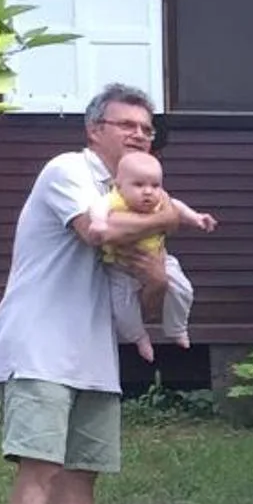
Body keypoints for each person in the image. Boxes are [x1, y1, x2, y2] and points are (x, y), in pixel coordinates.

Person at [0, 85, 190, 504]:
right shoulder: (68, 171)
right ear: (95, 130)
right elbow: (96, 231)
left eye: (146, 129)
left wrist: (157, 277)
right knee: (39, 468)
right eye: (126, 125)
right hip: (40, 346)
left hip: (95, 353)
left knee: (82, 474)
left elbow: (143, 298)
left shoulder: (137, 195)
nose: (139, 135)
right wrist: (169, 218)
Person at [100, 148, 214, 363]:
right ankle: (138, 337)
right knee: (123, 308)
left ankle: (177, 328)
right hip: (120, 267)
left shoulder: (160, 200)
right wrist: (98, 222)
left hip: (160, 258)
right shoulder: (112, 201)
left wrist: (196, 218)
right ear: (118, 185)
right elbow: (97, 211)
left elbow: (177, 207)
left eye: (155, 185)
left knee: (183, 289)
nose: (148, 192)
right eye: (139, 185)